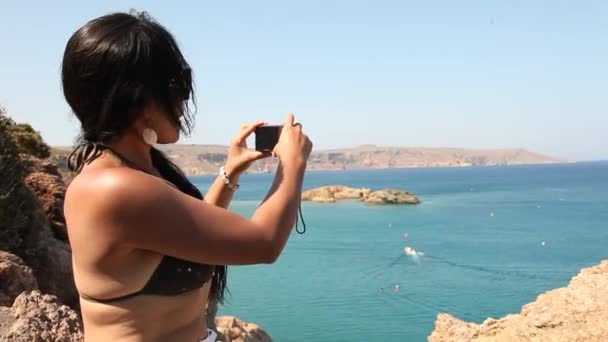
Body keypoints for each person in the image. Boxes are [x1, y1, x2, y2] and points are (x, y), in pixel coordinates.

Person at [62, 10, 312, 342]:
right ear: (141, 100)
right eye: (177, 84)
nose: (183, 100)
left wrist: (230, 172)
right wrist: (293, 165)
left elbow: (185, 235)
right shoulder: (114, 189)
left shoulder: (133, 170)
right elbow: (263, 243)